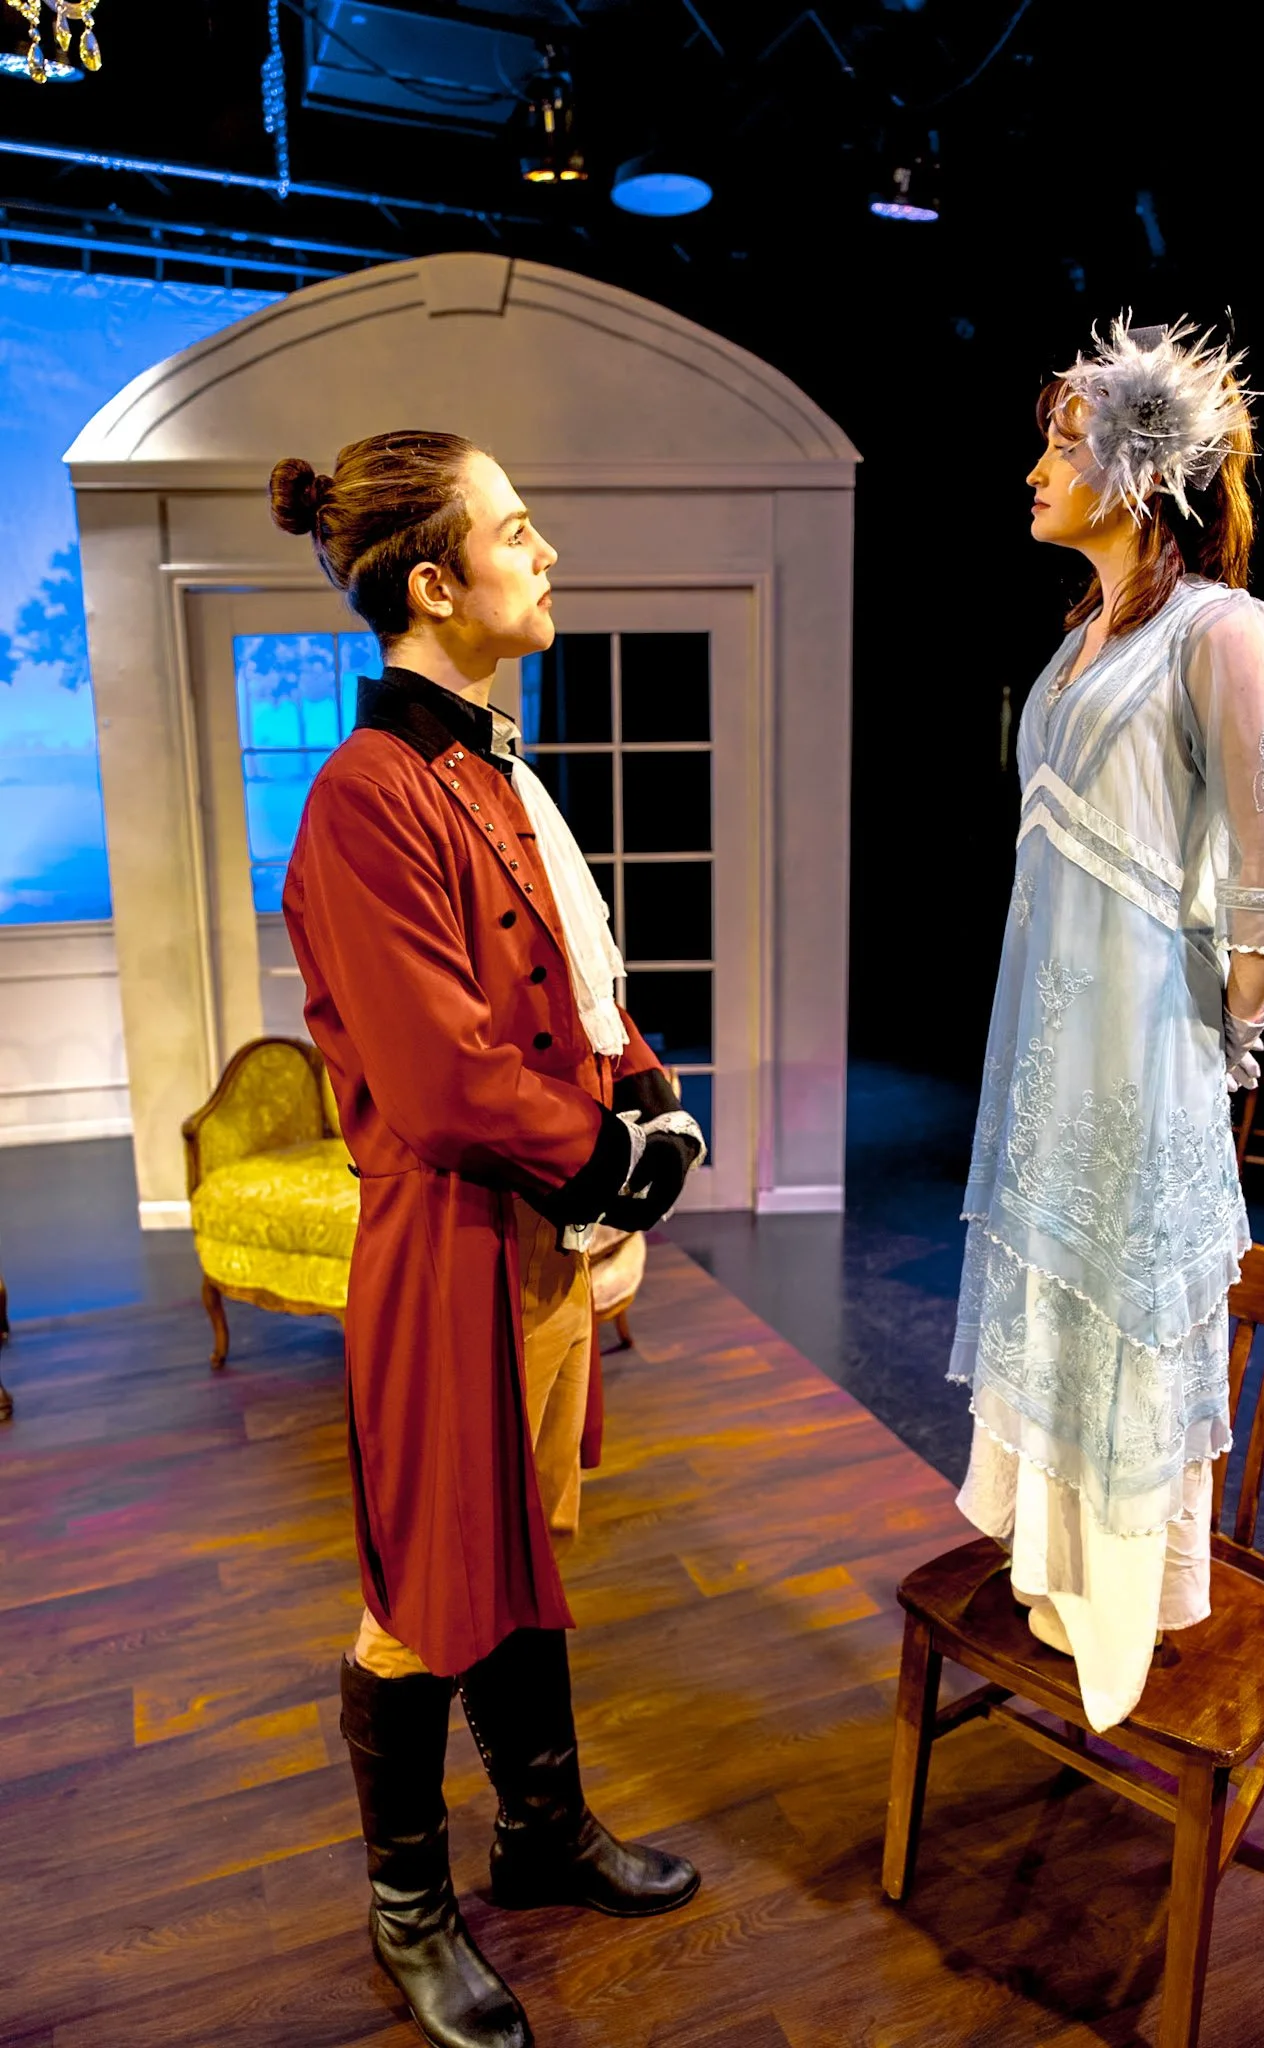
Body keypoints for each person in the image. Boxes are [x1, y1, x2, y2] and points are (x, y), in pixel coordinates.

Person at [270, 431, 705, 2048]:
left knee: (521, 1558)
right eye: (516, 531)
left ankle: (540, 1832)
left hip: (538, 1247)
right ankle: (408, 1911)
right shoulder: (366, 797)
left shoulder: (487, 769)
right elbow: (447, 1079)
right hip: (452, 1250)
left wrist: (644, 1088)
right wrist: (621, 1163)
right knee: (422, 1594)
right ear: (435, 584)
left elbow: (569, 985)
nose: (547, 553)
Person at [949, 318, 1264, 1732]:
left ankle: (1127, 1594)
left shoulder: (1222, 631)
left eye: (1061, 445)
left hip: (1145, 1044)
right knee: (1058, 1283)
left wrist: (1221, 1035)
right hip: (1055, 1040)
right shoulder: (1082, 638)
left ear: (1139, 470)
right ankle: (1053, 1565)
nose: (1036, 470)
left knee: (1132, 1304)